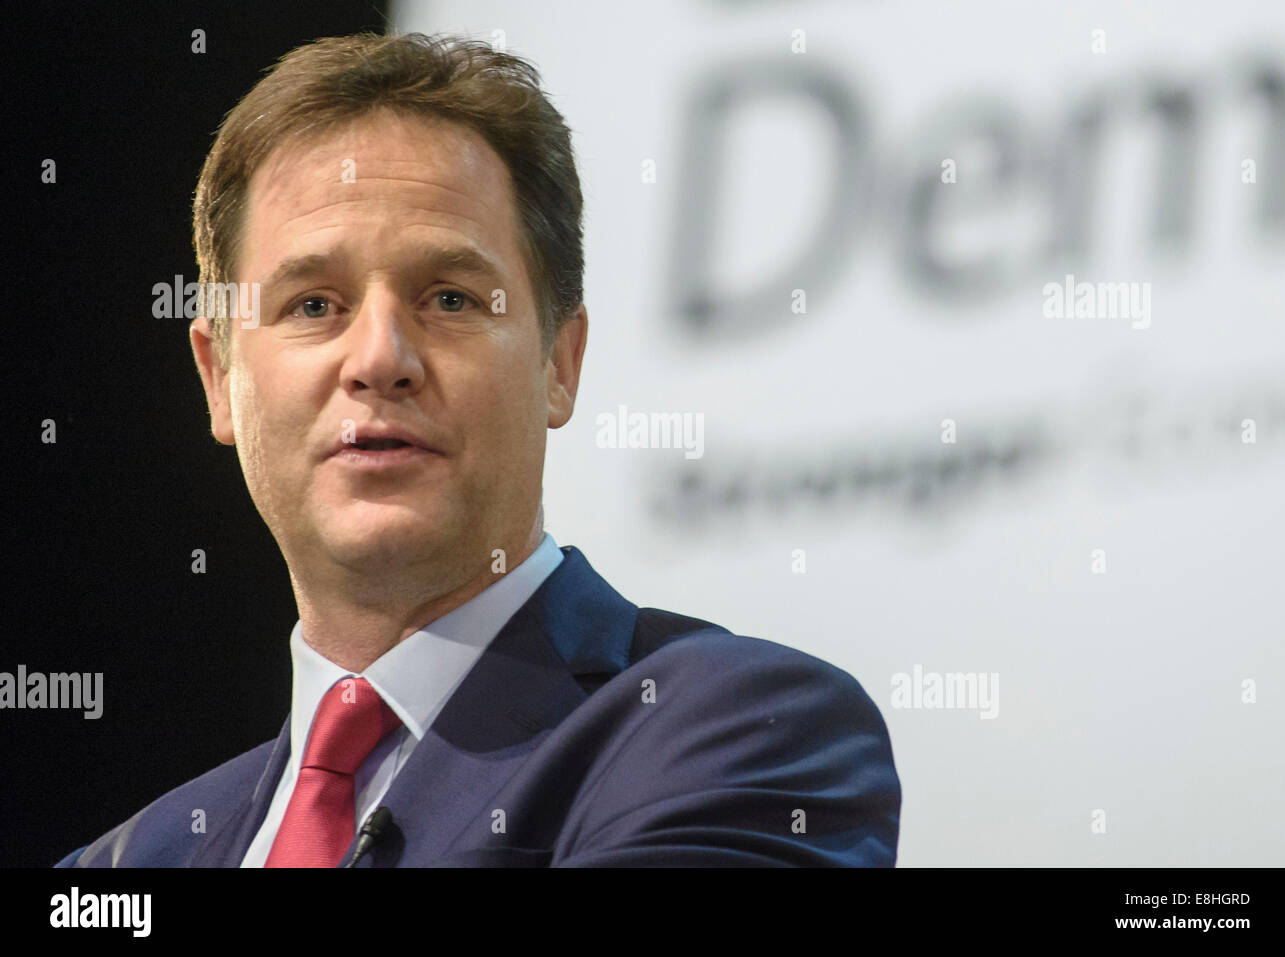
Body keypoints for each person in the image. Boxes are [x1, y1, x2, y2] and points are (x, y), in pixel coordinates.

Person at [55, 32, 901, 868]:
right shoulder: (121, 867)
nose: (381, 358)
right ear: (218, 376)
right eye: (313, 305)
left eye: (451, 297)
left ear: (559, 365)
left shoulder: (741, 730)